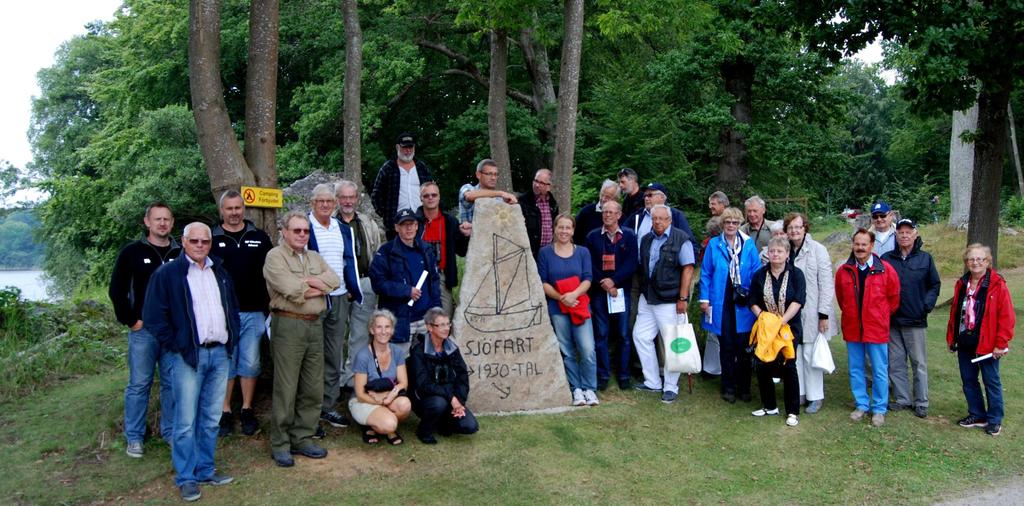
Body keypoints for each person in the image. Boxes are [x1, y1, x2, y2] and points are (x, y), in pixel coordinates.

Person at [143, 222, 239, 501]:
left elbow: (231, 307)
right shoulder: (168, 274)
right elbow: (153, 317)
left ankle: (206, 469)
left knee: (211, 418)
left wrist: (231, 339)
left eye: (205, 241)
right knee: (185, 421)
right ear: (183, 242)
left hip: (219, 353)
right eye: (194, 241)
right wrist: (176, 346)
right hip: (188, 356)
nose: (200, 245)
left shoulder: (219, 271)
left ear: (211, 243)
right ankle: (186, 477)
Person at [263, 211, 341, 467]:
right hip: (288, 325)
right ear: (284, 232)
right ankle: (281, 443)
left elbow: (334, 281)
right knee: (286, 387)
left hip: (314, 326)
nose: (301, 235)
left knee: (312, 386)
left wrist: (312, 282)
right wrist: (315, 286)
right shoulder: (275, 257)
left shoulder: (314, 257)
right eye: (296, 230)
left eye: (305, 231)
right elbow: (291, 288)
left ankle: (303, 437)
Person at [109, 202, 180, 458]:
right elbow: (117, 290)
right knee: (139, 384)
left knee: (172, 384)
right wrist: (131, 320)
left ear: (172, 223)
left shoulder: (180, 251)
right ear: (147, 222)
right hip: (144, 331)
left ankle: (170, 432)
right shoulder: (132, 252)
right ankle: (135, 437)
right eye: (157, 219)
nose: (162, 223)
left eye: (167, 219)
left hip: (172, 332)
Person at [211, 190, 273, 437]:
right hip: (222, 314)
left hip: (254, 311)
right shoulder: (211, 238)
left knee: (250, 361)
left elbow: (271, 271)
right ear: (222, 210)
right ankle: (224, 411)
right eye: (229, 208)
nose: (234, 213)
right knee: (227, 363)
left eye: (238, 208)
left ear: (243, 209)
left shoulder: (259, 237)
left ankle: (247, 409)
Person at [306, 184, 364, 431]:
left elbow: (349, 259)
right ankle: (308, 410)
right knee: (311, 355)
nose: (326, 206)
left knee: (333, 354)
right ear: (312, 204)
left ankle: (328, 406)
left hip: (339, 297)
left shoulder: (342, 228)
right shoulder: (305, 228)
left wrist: (352, 286)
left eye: (329, 202)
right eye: (321, 202)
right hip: (314, 299)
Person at [946, 244, 1015, 436]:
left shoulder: (997, 284)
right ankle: (977, 414)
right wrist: (952, 338)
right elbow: (955, 312)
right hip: (966, 341)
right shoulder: (962, 283)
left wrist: (1001, 343)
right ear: (966, 262)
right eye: (971, 259)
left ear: (988, 261)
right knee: (968, 380)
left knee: (991, 381)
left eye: (980, 259)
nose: (975, 263)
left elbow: (1007, 317)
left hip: (988, 343)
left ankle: (994, 420)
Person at [835, 228, 900, 427]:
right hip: (853, 327)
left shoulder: (886, 269)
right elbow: (841, 297)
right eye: (857, 244)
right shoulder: (844, 270)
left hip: (876, 329)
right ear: (853, 245)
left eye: (864, 244)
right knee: (856, 369)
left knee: (880, 370)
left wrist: (879, 315)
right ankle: (861, 403)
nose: (860, 248)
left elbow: (894, 298)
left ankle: (879, 408)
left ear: (872, 246)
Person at [633, 205, 696, 404]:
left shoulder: (681, 238)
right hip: (648, 297)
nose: (658, 222)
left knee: (673, 343)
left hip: (670, 300)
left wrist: (683, 298)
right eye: (655, 219)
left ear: (669, 220)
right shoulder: (646, 239)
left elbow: (688, 269)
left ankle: (670, 386)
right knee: (641, 336)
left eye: (662, 218)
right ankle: (652, 381)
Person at [699, 207, 760, 404]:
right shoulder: (714, 245)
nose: (731, 226)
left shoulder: (749, 245)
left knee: (743, 347)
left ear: (739, 224)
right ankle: (728, 387)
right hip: (721, 300)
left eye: (735, 222)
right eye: (727, 222)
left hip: (743, 302)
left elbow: (756, 271)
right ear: (722, 224)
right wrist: (704, 298)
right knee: (726, 346)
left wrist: (754, 297)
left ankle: (744, 387)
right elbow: (706, 273)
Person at [881, 218, 940, 418]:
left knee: (918, 363)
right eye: (901, 232)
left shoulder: (925, 259)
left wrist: (926, 306)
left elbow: (935, 284)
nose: (904, 235)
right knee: (896, 363)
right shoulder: (887, 259)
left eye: (908, 232)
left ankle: (921, 401)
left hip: (915, 320)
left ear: (915, 234)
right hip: (893, 321)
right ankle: (902, 398)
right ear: (896, 235)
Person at [539, 214, 599, 406]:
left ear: (573, 230)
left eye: (568, 228)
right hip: (558, 307)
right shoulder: (545, 253)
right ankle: (577, 389)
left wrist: (573, 295)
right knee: (567, 351)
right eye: (561, 227)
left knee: (587, 348)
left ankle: (590, 388)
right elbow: (543, 282)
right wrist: (561, 298)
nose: (564, 231)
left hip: (579, 306)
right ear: (555, 229)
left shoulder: (582, 252)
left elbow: (588, 278)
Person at [335, 180, 386, 391]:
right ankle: (334, 381)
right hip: (337, 287)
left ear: (357, 199)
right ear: (337, 199)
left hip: (365, 283)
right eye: (343, 197)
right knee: (336, 336)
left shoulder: (367, 222)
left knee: (360, 335)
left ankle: (350, 380)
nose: (348, 201)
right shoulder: (329, 224)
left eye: (351, 197)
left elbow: (378, 251)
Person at [749, 237, 805, 427]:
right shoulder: (759, 275)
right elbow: (753, 301)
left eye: (780, 251)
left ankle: (792, 411)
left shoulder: (796, 274)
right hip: (766, 328)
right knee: (763, 364)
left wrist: (780, 321)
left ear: (787, 254)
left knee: (789, 365)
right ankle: (769, 406)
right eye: (772, 251)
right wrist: (764, 320)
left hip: (788, 326)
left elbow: (798, 300)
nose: (775, 254)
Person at [370, 209, 442, 355]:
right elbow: (378, 283)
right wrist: (406, 290)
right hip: (401, 319)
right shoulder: (386, 252)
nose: (409, 228)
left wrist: (436, 310)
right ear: (397, 227)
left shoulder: (426, 249)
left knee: (428, 362)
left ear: (417, 226)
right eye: (404, 225)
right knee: (398, 364)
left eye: (412, 224)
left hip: (425, 318)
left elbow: (434, 281)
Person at [784, 212, 835, 414]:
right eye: (790, 228)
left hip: (813, 310)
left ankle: (815, 396)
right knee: (793, 353)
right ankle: (800, 393)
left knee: (809, 354)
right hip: (790, 311)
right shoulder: (786, 250)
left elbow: (826, 283)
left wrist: (823, 314)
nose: (794, 231)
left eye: (798, 227)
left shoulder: (817, 250)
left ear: (805, 227)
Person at [584, 200, 638, 390]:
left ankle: (624, 375)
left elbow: (632, 264)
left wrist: (614, 282)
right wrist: (605, 283)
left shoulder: (629, 236)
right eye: (604, 212)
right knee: (601, 334)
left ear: (619, 214)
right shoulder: (592, 237)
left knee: (623, 334)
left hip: (621, 292)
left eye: (611, 212)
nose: (607, 215)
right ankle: (603, 375)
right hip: (599, 291)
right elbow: (589, 264)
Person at [408, 307, 479, 444]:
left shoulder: (451, 348)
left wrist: (459, 402)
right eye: (441, 325)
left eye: (448, 324)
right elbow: (423, 384)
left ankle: (443, 423)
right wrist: (450, 397)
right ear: (429, 327)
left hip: (450, 397)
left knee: (470, 426)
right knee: (438, 404)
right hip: (425, 398)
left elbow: (462, 376)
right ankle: (424, 431)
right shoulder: (419, 351)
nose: (446, 328)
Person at [349, 309, 412, 445]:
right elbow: (360, 394)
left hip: (385, 397)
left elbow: (403, 383)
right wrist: (381, 402)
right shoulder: (363, 356)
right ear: (372, 330)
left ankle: (375, 426)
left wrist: (389, 396)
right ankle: (384, 426)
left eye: (387, 327)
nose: (384, 331)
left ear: (392, 330)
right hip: (364, 400)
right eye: (379, 327)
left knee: (405, 405)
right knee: (390, 424)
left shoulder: (397, 352)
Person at [416, 181, 468, 317]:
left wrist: (465, 235)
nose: (430, 198)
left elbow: (462, 251)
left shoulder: (450, 221)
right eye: (426, 196)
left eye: (434, 195)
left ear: (439, 197)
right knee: (419, 319)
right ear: (421, 198)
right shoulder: (414, 222)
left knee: (444, 318)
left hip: (442, 276)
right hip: (418, 276)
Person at [370, 132, 434, 238]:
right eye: (405, 147)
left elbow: (431, 191)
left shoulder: (421, 167)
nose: (408, 150)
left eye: (411, 147)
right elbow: (376, 195)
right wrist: (386, 215)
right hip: (396, 223)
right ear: (397, 147)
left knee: (422, 252)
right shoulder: (388, 168)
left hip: (421, 221)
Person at [457, 159, 518, 236]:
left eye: (496, 174)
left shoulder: (499, 199)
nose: (493, 178)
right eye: (489, 174)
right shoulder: (468, 188)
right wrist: (501, 193)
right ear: (478, 174)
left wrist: (511, 205)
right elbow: (469, 196)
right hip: (471, 243)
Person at [519, 168, 560, 258]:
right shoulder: (523, 202)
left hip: (549, 253)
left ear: (549, 186)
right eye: (535, 181)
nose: (537, 185)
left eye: (541, 183)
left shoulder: (553, 204)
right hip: (529, 253)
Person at [574, 179, 620, 245]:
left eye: (607, 197)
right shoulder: (586, 212)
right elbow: (575, 235)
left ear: (615, 199)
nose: (603, 199)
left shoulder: (620, 216)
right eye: (602, 195)